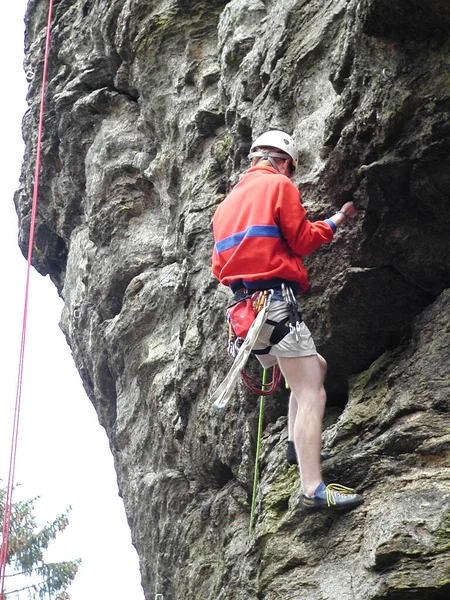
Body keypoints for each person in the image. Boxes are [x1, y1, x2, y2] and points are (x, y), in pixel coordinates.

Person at [211, 130, 364, 513]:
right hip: (276, 305)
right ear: (282, 161)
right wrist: (338, 218)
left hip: (245, 318)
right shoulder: (278, 186)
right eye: (290, 169)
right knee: (313, 391)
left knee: (316, 369)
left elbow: (219, 269)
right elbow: (302, 240)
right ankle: (312, 488)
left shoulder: (224, 208)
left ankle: (297, 445)